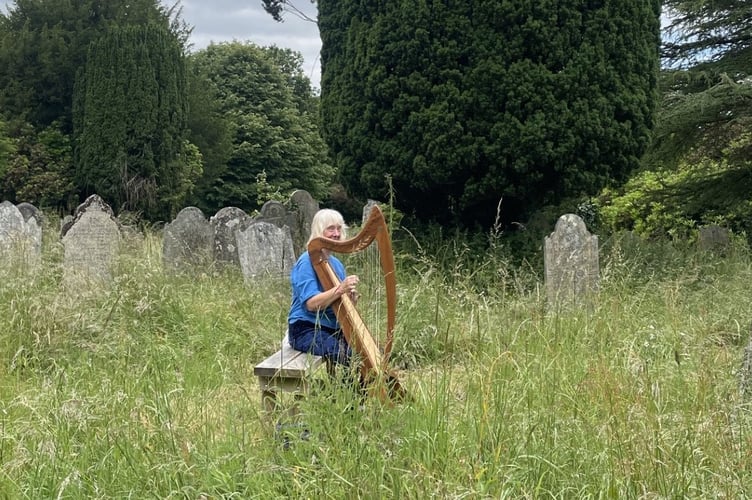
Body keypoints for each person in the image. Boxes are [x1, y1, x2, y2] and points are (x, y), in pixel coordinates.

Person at [287, 209, 360, 367]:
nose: (336, 233)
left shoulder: (336, 264)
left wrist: (351, 299)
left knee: (366, 353)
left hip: (332, 327)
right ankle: (352, 390)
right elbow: (311, 304)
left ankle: (358, 390)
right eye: (331, 228)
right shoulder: (306, 261)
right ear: (319, 231)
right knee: (346, 355)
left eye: (339, 228)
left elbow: (338, 305)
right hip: (305, 329)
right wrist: (340, 289)